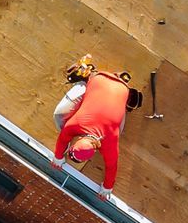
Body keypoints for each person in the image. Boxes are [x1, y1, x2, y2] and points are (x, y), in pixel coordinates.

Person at [52, 55, 139, 196]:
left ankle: (119, 95)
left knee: (117, 129)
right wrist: (57, 157)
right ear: (79, 140)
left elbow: (112, 167)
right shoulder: (76, 124)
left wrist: (107, 189)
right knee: (59, 117)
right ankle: (85, 81)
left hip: (123, 88)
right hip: (98, 78)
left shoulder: (110, 142)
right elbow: (62, 139)